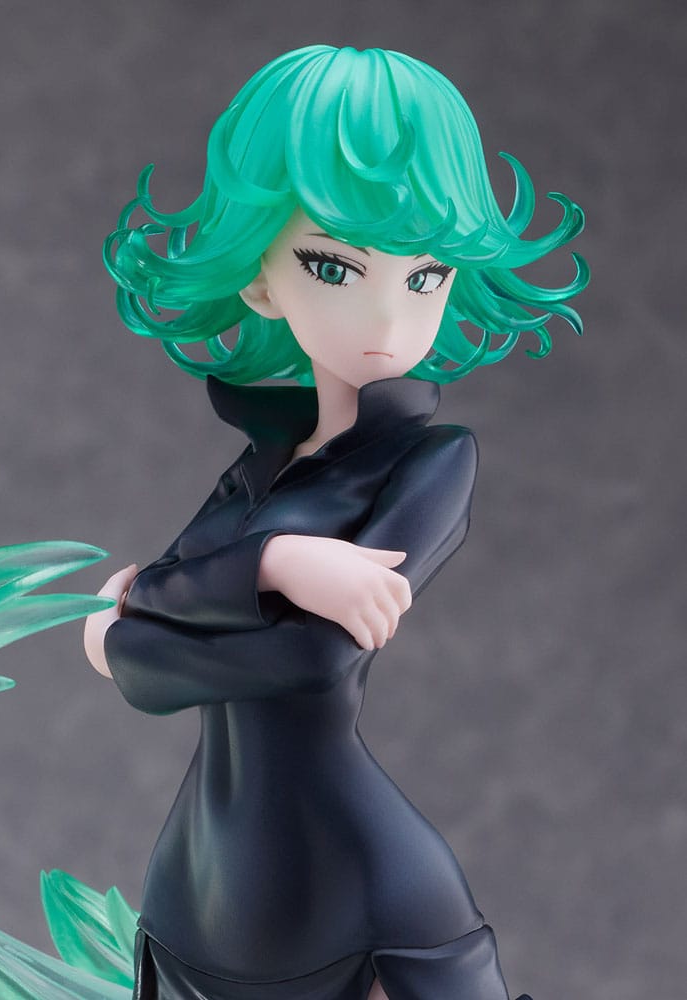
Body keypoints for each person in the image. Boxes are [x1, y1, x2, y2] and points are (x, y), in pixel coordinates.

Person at [85, 44, 588, 1000]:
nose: (389, 321)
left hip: (366, 893)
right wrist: (276, 565)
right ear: (262, 279)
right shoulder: (257, 467)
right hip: (196, 889)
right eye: (333, 266)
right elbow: (151, 633)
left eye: (426, 275)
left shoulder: (431, 463)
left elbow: (308, 657)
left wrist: (131, 627)